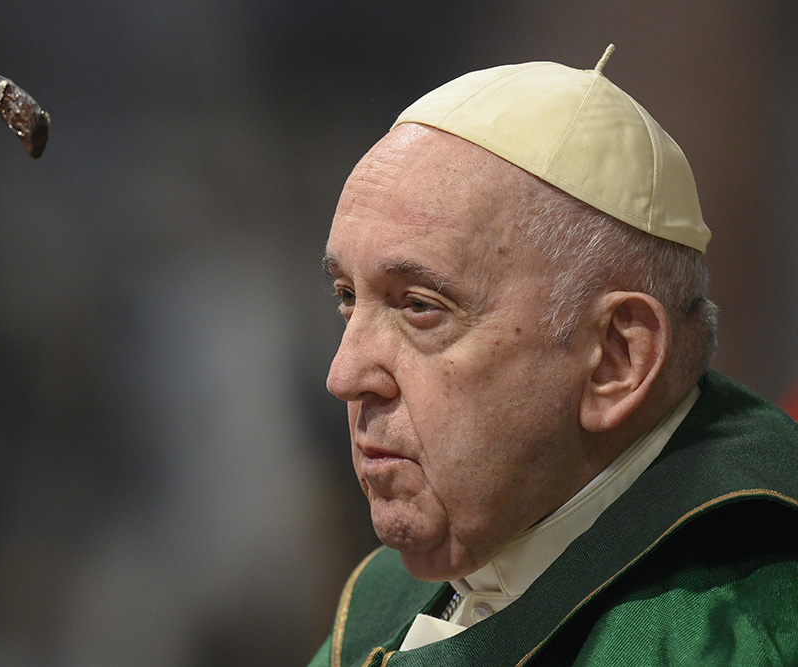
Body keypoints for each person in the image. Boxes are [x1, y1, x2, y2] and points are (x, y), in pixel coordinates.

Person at [310, 46, 798, 667]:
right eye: (348, 298)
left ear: (615, 361)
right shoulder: (388, 595)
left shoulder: (731, 631)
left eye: (420, 307)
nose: (344, 375)